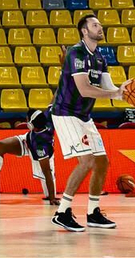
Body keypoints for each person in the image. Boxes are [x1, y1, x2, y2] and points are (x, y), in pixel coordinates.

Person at [50, 12, 124, 232]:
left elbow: (110, 88)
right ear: (84, 30)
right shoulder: (76, 52)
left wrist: (126, 91)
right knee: (87, 161)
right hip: (65, 113)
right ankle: (62, 211)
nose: (100, 27)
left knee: (102, 162)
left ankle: (93, 212)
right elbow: (84, 89)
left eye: (100, 24)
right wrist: (117, 94)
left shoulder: (100, 57)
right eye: (95, 24)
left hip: (84, 116)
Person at [0, 108, 55, 203]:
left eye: (27, 119)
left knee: (49, 193)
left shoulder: (40, 145)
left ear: (30, 125)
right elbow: (53, 102)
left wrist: (52, 198)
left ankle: (51, 195)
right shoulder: (46, 118)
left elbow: (47, 171)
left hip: (40, 151)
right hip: (28, 140)